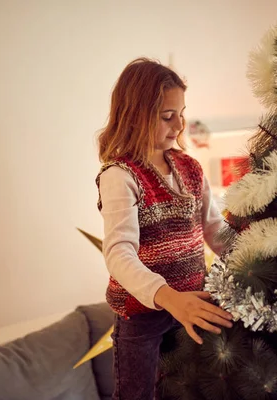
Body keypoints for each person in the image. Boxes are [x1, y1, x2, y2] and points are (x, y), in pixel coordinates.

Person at [96, 58, 233, 400]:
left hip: (195, 305)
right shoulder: (120, 176)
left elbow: (215, 227)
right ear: (135, 115)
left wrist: (252, 260)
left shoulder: (189, 167)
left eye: (182, 113)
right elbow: (118, 253)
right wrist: (171, 299)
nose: (180, 125)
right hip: (143, 321)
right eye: (167, 116)